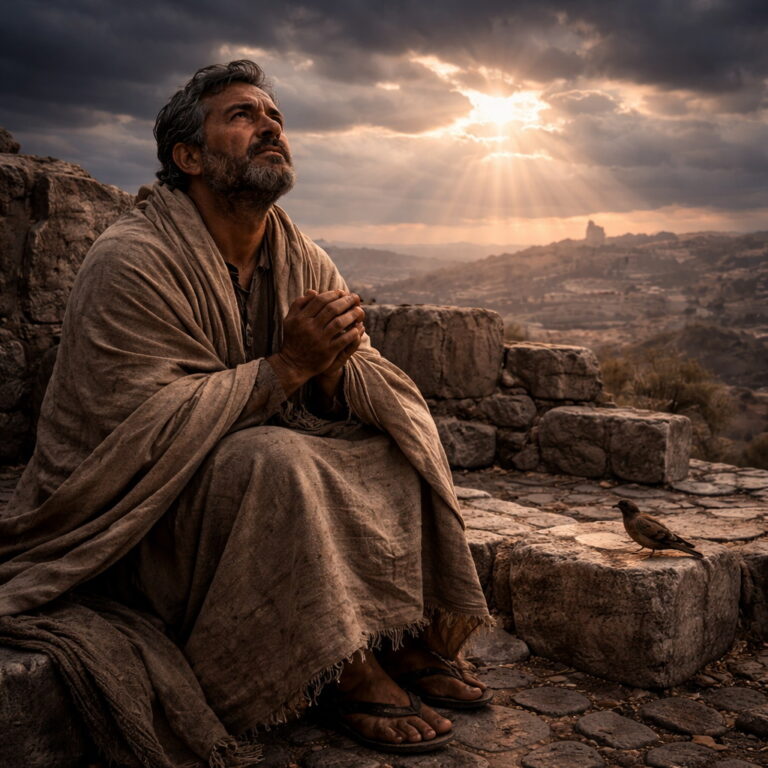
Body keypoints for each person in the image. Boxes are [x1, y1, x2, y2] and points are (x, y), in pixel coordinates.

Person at [0, 61, 491, 765]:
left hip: (229, 475)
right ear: (189, 157)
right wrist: (287, 367)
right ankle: (341, 669)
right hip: (133, 516)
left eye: (276, 118)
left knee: (395, 442)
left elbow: (357, 376)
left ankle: (396, 637)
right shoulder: (131, 260)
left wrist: (327, 372)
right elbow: (135, 432)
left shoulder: (302, 255)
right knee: (277, 461)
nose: (269, 127)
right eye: (242, 116)